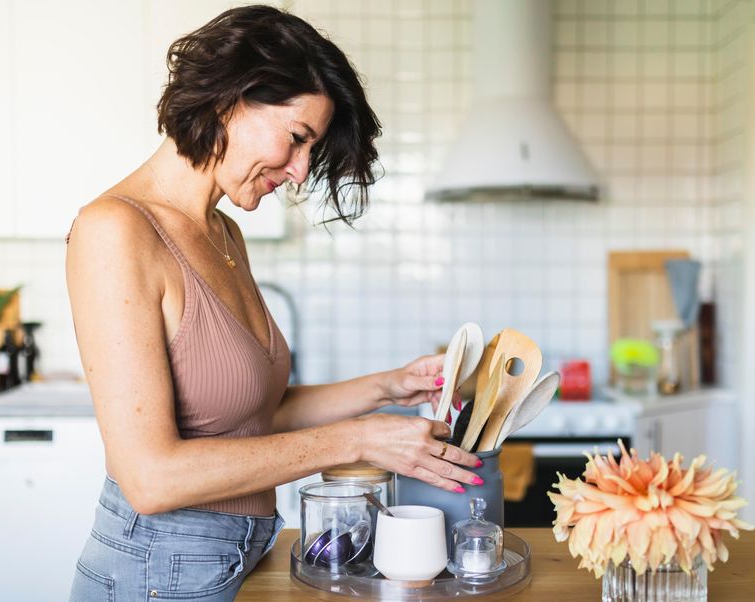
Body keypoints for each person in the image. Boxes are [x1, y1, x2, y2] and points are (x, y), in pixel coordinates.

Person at [64, 5, 480, 600]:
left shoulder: (221, 232)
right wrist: (360, 440)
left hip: (233, 557)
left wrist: (388, 388)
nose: (300, 171)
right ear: (231, 99)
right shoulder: (115, 230)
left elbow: (249, 420)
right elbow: (149, 477)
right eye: (296, 139)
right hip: (157, 570)